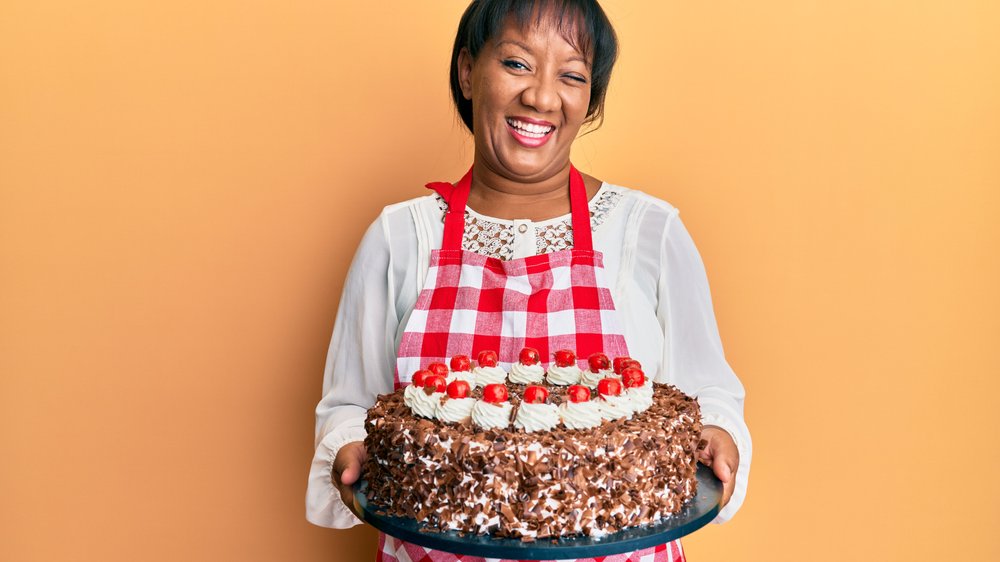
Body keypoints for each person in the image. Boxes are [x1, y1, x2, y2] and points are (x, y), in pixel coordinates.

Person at [306, 1, 751, 561]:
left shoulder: (647, 232)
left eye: (571, 75)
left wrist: (721, 432)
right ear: (468, 71)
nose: (541, 97)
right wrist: (347, 442)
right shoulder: (401, 237)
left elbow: (707, 391)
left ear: (591, 99)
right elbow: (349, 403)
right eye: (517, 64)